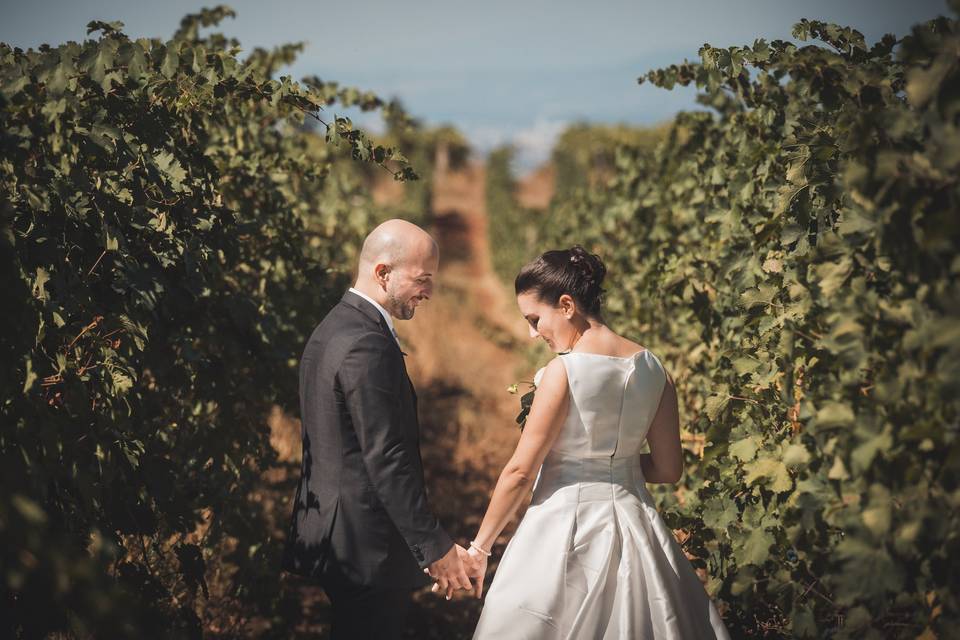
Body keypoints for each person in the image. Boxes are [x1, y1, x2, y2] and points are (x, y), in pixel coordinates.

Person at [466, 245, 731, 639]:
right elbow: (668, 469)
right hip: (636, 520)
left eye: (535, 319)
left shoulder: (563, 372)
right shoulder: (655, 370)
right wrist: (614, 465)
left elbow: (522, 470)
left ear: (567, 304)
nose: (531, 332)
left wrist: (480, 549)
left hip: (563, 526)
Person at [281, 219, 480, 640]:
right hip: (363, 543)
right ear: (383, 272)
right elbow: (386, 457)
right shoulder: (367, 343)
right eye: (422, 279)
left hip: (336, 533)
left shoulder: (334, 326)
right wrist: (435, 548)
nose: (429, 292)